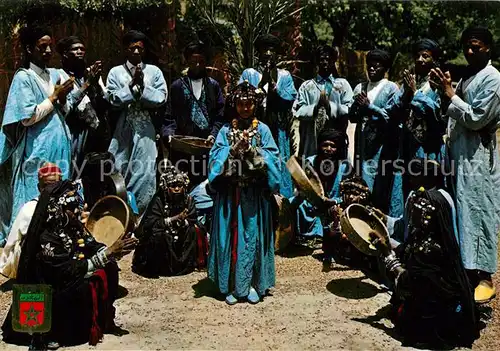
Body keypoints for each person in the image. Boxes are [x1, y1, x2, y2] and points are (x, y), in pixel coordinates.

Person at [2, 180, 138, 348]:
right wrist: (106, 254)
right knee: (79, 285)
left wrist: (110, 250)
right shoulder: (46, 236)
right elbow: (64, 271)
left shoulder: (71, 225)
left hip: (70, 274)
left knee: (109, 268)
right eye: (71, 207)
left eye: (76, 205)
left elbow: (90, 244)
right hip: (53, 288)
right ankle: (51, 333)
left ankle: (104, 320)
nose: (76, 211)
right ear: (57, 208)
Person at [431, 26, 500, 303]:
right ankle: (466, 270)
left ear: (488, 48)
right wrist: (443, 91)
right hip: (460, 155)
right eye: (466, 47)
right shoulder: (467, 77)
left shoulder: (493, 79)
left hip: (479, 158)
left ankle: (485, 276)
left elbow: (476, 118)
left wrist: (450, 94)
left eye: (476, 47)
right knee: (461, 211)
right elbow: (450, 114)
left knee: (480, 211)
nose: (470, 52)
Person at [371, 186, 480, 348]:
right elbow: (405, 250)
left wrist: (386, 253)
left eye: (415, 210)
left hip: (434, 322)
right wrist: (386, 242)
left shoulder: (430, 251)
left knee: (404, 316)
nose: (411, 213)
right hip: (429, 305)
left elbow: (405, 282)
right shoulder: (425, 239)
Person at [208, 81, 280, 305]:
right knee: (231, 238)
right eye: (241, 104)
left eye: (249, 104)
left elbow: (273, 159)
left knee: (252, 238)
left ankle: (252, 284)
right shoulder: (226, 131)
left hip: (254, 197)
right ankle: (230, 285)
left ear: (255, 105)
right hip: (230, 195)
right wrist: (231, 150)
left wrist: (252, 151)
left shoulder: (264, 130)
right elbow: (214, 158)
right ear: (235, 105)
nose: (245, 109)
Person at [0, 25, 74, 246]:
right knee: (36, 191)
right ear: (29, 49)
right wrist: (54, 98)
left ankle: (57, 239)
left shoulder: (54, 75)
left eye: (50, 46)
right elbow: (27, 117)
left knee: (60, 190)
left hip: (59, 144)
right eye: (42, 47)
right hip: (37, 147)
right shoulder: (24, 78)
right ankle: (28, 244)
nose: (48, 51)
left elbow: (66, 110)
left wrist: (62, 99)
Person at [106, 30, 168, 215]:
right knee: (120, 169)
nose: (136, 52)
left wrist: (142, 89)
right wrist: (131, 88)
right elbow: (112, 98)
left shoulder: (154, 71)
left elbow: (161, 97)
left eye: (140, 48)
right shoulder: (115, 72)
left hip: (146, 130)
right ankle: (123, 215)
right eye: (132, 48)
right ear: (125, 49)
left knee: (145, 171)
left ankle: (142, 217)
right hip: (123, 130)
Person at [239, 34, 297, 198]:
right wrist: (260, 84)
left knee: (278, 166)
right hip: (254, 130)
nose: (269, 53)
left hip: (278, 131)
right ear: (258, 53)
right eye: (265, 49)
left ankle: (281, 203)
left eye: (272, 50)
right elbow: (240, 99)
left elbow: (289, 100)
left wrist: (273, 87)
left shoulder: (284, 76)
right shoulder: (249, 74)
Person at [386, 39, 445, 200]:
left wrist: (416, 94)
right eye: (417, 56)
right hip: (407, 144)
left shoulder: (437, 83)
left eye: (425, 56)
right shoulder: (409, 82)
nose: (420, 60)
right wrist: (407, 94)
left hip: (427, 147)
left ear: (434, 60)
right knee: (403, 186)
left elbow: (437, 112)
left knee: (425, 189)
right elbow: (393, 109)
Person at [162, 40, 225, 188]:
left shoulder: (214, 86)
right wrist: (169, 136)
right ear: (187, 62)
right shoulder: (177, 86)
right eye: (193, 61)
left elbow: (220, 116)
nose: (197, 65)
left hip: (207, 148)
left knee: (206, 187)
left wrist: (214, 135)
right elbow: (169, 117)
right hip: (182, 150)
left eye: (201, 61)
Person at [349, 49, 403, 217]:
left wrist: (369, 107)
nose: (372, 69)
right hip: (362, 141)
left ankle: (377, 220)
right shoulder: (360, 86)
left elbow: (392, 117)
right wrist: (356, 107)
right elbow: (352, 118)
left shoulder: (391, 88)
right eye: (370, 66)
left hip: (381, 143)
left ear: (385, 69)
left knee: (378, 180)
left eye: (376, 67)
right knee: (361, 179)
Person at [132, 166, 207, 277]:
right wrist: (172, 220)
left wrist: (182, 222)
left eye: (179, 186)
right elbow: (150, 224)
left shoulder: (188, 199)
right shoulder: (158, 201)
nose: (177, 189)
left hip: (180, 234)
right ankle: (161, 267)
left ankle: (185, 265)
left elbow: (192, 218)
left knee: (194, 230)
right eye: (173, 186)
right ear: (166, 187)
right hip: (164, 236)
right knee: (158, 236)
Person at [56, 36, 110, 176]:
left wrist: (96, 84)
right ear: (65, 54)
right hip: (73, 134)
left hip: (93, 136)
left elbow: (104, 104)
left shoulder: (90, 73)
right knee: (73, 173)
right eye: (75, 49)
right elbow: (65, 109)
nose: (80, 51)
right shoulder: (59, 76)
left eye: (82, 49)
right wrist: (86, 85)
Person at [0, 163, 62, 278]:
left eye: (55, 185)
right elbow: (12, 243)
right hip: (36, 262)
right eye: (47, 186)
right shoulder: (29, 208)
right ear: (39, 188)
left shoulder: (69, 205)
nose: (52, 190)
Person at [293, 45, 353, 158]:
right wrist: (316, 107)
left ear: (334, 61)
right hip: (312, 138)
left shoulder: (342, 85)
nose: (325, 62)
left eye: (328, 59)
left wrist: (330, 107)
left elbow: (350, 108)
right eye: (322, 59)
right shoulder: (307, 86)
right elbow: (298, 110)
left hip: (336, 135)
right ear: (316, 62)